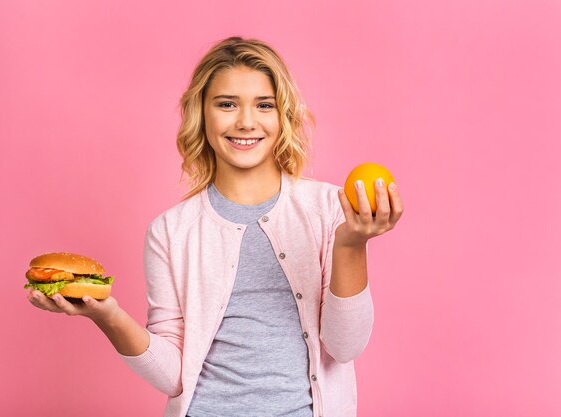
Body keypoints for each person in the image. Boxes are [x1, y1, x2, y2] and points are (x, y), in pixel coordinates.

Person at [28, 36, 404, 417]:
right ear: (202, 114)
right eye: (227, 104)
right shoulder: (170, 232)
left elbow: (346, 346)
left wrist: (350, 246)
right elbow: (174, 375)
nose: (245, 121)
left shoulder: (329, 208)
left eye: (264, 105)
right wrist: (107, 315)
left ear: (283, 116)